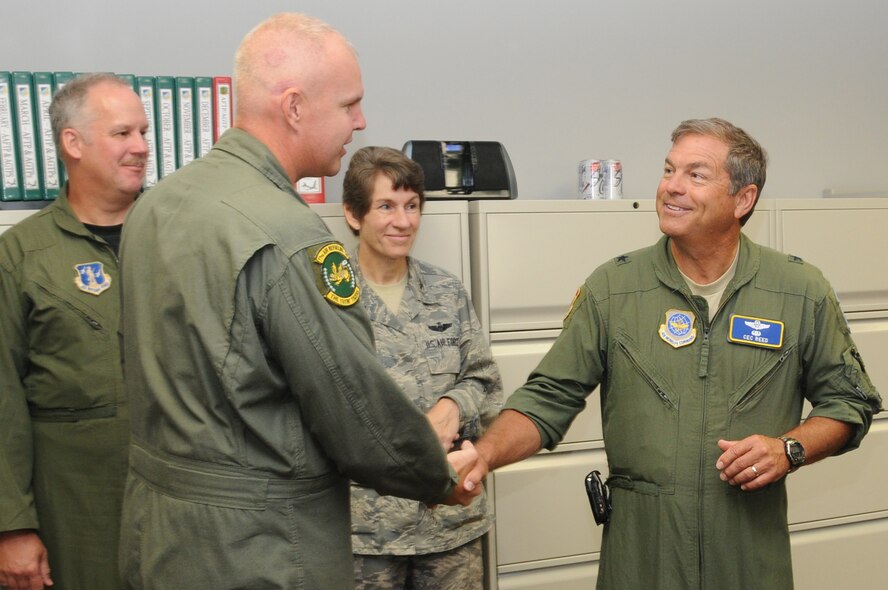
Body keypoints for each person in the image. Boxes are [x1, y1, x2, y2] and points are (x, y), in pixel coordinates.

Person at [118, 13, 478, 590]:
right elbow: (353, 405)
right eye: (349, 105)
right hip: (260, 549)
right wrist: (438, 475)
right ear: (293, 107)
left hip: (158, 536)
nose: (360, 122)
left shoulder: (156, 207)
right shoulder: (290, 237)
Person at [461, 118, 883, 589]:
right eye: (668, 170)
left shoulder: (799, 292)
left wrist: (788, 449)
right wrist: (484, 454)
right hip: (642, 558)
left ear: (743, 199)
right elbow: (549, 397)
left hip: (748, 560)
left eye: (696, 175)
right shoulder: (615, 289)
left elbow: (851, 403)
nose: (671, 188)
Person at [0, 73, 148, 590]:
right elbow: (2, 399)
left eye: (144, 133)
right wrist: (11, 527)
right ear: (73, 143)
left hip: (182, 514)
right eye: (123, 133)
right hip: (75, 514)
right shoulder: (22, 255)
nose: (141, 148)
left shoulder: (179, 237)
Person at [341, 146, 503, 589]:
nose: (404, 221)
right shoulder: (330, 298)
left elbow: (487, 381)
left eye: (412, 206)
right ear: (354, 215)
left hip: (450, 523)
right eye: (386, 206)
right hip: (365, 533)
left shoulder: (445, 291)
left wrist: (454, 403)